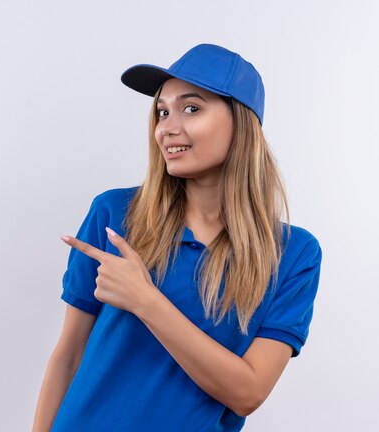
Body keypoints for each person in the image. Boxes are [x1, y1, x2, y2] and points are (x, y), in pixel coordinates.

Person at [32, 43, 322, 432]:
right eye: (162, 111)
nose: (167, 127)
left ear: (241, 122)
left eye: (191, 108)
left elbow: (248, 392)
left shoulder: (292, 254)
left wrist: (145, 299)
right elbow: (68, 356)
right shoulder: (115, 216)